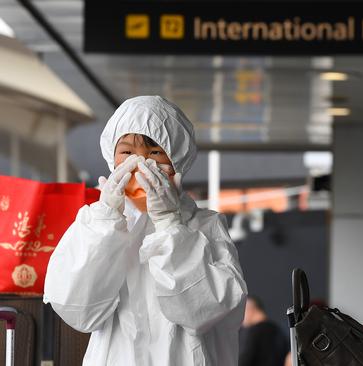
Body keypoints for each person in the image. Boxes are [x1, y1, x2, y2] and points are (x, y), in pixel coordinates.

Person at [44, 96, 248, 365]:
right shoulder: (95, 225)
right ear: (112, 159)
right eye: (127, 154)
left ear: (177, 160)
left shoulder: (206, 226)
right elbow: (78, 310)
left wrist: (169, 225)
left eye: (154, 153)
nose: (140, 166)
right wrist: (105, 218)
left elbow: (204, 311)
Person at [239, 296, 289, 366]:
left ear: (249, 310)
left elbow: (243, 361)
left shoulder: (252, 332)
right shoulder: (278, 329)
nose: (240, 321)